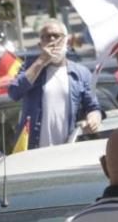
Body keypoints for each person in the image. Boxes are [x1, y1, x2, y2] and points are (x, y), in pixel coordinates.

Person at [8, 20, 103, 149]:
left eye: (56, 36)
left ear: (66, 41)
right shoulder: (30, 66)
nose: (52, 40)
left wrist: (94, 119)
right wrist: (41, 61)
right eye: (46, 37)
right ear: (40, 44)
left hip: (68, 149)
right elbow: (14, 92)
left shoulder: (81, 73)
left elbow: (93, 107)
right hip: (34, 150)